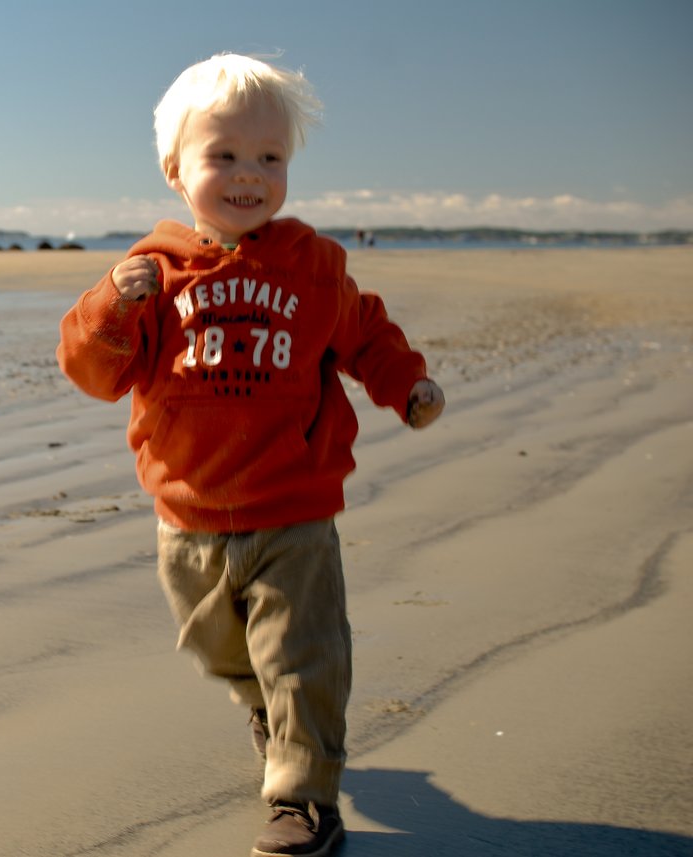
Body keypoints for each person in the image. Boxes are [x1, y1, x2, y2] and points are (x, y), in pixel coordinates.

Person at [56, 53, 444, 857]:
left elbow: (365, 332)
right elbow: (94, 374)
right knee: (218, 647)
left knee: (303, 654)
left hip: (293, 507)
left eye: (270, 158)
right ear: (175, 169)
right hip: (187, 514)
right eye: (223, 155)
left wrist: (404, 385)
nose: (248, 176)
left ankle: (304, 796)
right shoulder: (151, 274)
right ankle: (266, 711)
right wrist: (108, 307)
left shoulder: (311, 266)